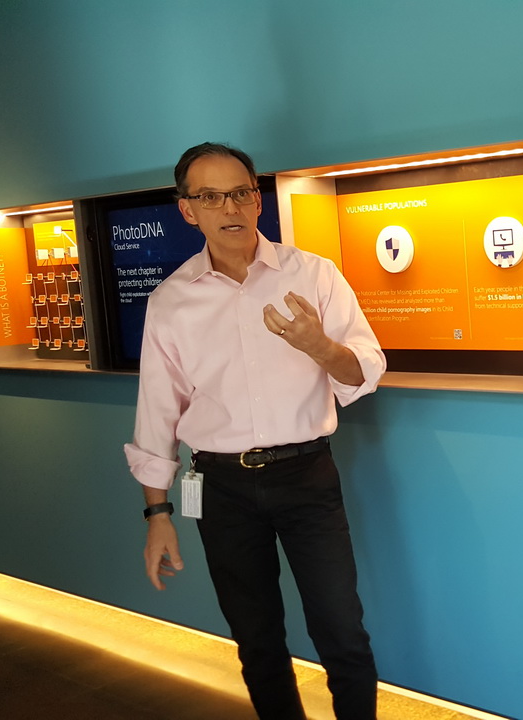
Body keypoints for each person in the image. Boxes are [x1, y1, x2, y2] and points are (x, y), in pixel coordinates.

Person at [126, 143, 386, 720]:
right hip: (221, 489)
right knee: (257, 639)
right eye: (210, 196)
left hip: (307, 476)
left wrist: (319, 346)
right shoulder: (171, 302)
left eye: (241, 192)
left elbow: (364, 374)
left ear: (258, 199)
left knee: (342, 631)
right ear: (188, 210)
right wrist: (157, 514)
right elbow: (157, 413)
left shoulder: (314, 274)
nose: (230, 207)